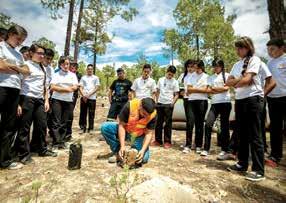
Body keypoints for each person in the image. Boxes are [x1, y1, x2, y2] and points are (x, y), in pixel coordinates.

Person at [226, 36, 265, 182]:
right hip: (240, 100)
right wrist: (239, 81)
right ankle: (242, 163)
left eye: (240, 48)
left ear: (248, 48)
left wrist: (238, 81)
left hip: (253, 99)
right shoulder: (236, 64)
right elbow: (228, 82)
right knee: (241, 134)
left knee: (255, 135)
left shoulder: (255, 60)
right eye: (236, 48)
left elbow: (248, 80)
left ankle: (258, 170)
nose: (238, 50)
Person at [15, 44, 57, 165]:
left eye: (43, 54)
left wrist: (46, 101)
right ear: (31, 53)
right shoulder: (25, 65)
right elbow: (18, 83)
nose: (41, 56)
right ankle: (23, 155)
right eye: (39, 53)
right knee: (25, 128)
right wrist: (18, 103)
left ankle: (42, 149)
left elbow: (45, 86)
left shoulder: (43, 68)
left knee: (42, 125)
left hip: (40, 100)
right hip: (27, 98)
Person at [0, 25, 30, 169]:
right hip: (2, 88)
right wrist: (18, 70)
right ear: (10, 34)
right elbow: (0, 66)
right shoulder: (1, 47)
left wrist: (14, 67)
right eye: (18, 39)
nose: (20, 42)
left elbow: (27, 71)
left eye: (22, 40)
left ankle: (4, 160)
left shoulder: (18, 54)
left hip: (14, 91)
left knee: (8, 126)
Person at [101, 98, 157, 166]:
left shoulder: (153, 115)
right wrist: (122, 146)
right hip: (126, 131)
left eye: (147, 115)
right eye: (144, 114)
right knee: (105, 127)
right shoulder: (130, 106)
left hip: (138, 136)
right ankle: (118, 152)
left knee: (144, 158)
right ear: (140, 106)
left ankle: (132, 151)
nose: (146, 116)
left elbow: (149, 134)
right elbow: (121, 126)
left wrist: (143, 150)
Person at [201, 59, 232, 158]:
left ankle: (224, 149)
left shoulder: (227, 75)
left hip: (225, 103)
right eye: (214, 66)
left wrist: (215, 89)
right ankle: (206, 148)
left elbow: (227, 88)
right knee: (208, 124)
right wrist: (220, 89)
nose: (215, 68)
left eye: (217, 66)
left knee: (224, 127)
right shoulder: (211, 77)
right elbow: (209, 90)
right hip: (214, 104)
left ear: (222, 66)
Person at [49, 56, 78, 149]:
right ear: (60, 64)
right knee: (56, 121)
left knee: (64, 122)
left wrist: (61, 88)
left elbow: (75, 87)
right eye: (64, 64)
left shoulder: (73, 75)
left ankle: (61, 141)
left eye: (67, 64)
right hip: (56, 100)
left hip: (68, 101)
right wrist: (67, 89)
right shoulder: (56, 74)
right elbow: (53, 87)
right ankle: (55, 142)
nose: (66, 66)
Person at [265, 39, 286, 167]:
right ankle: (275, 156)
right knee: (275, 128)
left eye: (272, 49)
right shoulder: (269, 63)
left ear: (282, 47)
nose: (270, 52)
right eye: (268, 50)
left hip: (285, 96)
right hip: (272, 98)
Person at [30, 48, 55, 152]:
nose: (48, 61)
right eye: (47, 58)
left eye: (51, 59)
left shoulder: (50, 69)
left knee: (41, 124)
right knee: (27, 125)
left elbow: (49, 85)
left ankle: (37, 145)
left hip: (45, 98)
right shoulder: (33, 66)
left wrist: (47, 100)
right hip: (31, 97)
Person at [152, 65, 179, 149]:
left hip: (169, 104)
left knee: (168, 124)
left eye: (171, 75)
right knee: (158, 123)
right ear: (166, 72)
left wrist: (172, 103)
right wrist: (156, 101)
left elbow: (177, 94)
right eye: (169, 74)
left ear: (174, 75)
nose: (170, 76)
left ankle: (167, 141)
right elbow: (157, 91)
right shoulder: (161, 79)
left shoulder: (175, 82)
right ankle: (158, 140)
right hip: (160, 103)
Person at [185, 60, 209, 154]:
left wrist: (194, 89)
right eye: (194, 67)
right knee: (190, 122)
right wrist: (200, 89)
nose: (195, 69)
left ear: (201, 67)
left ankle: (198, 145)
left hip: (202, 101)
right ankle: (188, 145)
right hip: (191, 101)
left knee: (199, 124)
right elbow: (189, 90)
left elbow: (207, 90)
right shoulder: (191, 76)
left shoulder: (206, 77)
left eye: (197, 68)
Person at [177, 59, 196, 150]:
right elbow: (179, 86)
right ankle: (188, 143)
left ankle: (197, 143)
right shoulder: (183, 75)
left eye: (192, 66)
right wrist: (181, 92)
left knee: (197, 122)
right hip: (187, 100)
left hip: (196, 100)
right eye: (188, 66)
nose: (190, 68)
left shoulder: (197, 75)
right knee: (189, 121)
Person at [79, 64, 100, 134]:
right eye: (88, 69)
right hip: (83, 97)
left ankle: (90, 128)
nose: (89, 70)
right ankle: (83, 127)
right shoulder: (83, 77)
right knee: (83, 113)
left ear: (93, 70)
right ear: (86, 69)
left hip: (92, 98)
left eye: (91, 69)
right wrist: (83, 95)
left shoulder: (96, 78)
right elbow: (80, 87)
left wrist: (89, 95)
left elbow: (97, 88)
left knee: (91, 113)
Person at [66, 62, 81, 139]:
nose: (73, 69)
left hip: (73, 96)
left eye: (75, 67)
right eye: (72, 67)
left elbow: (79, 85)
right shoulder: (66, 73)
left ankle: (68, 133)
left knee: (69, 114)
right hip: (63, 95)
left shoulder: (78, 75)